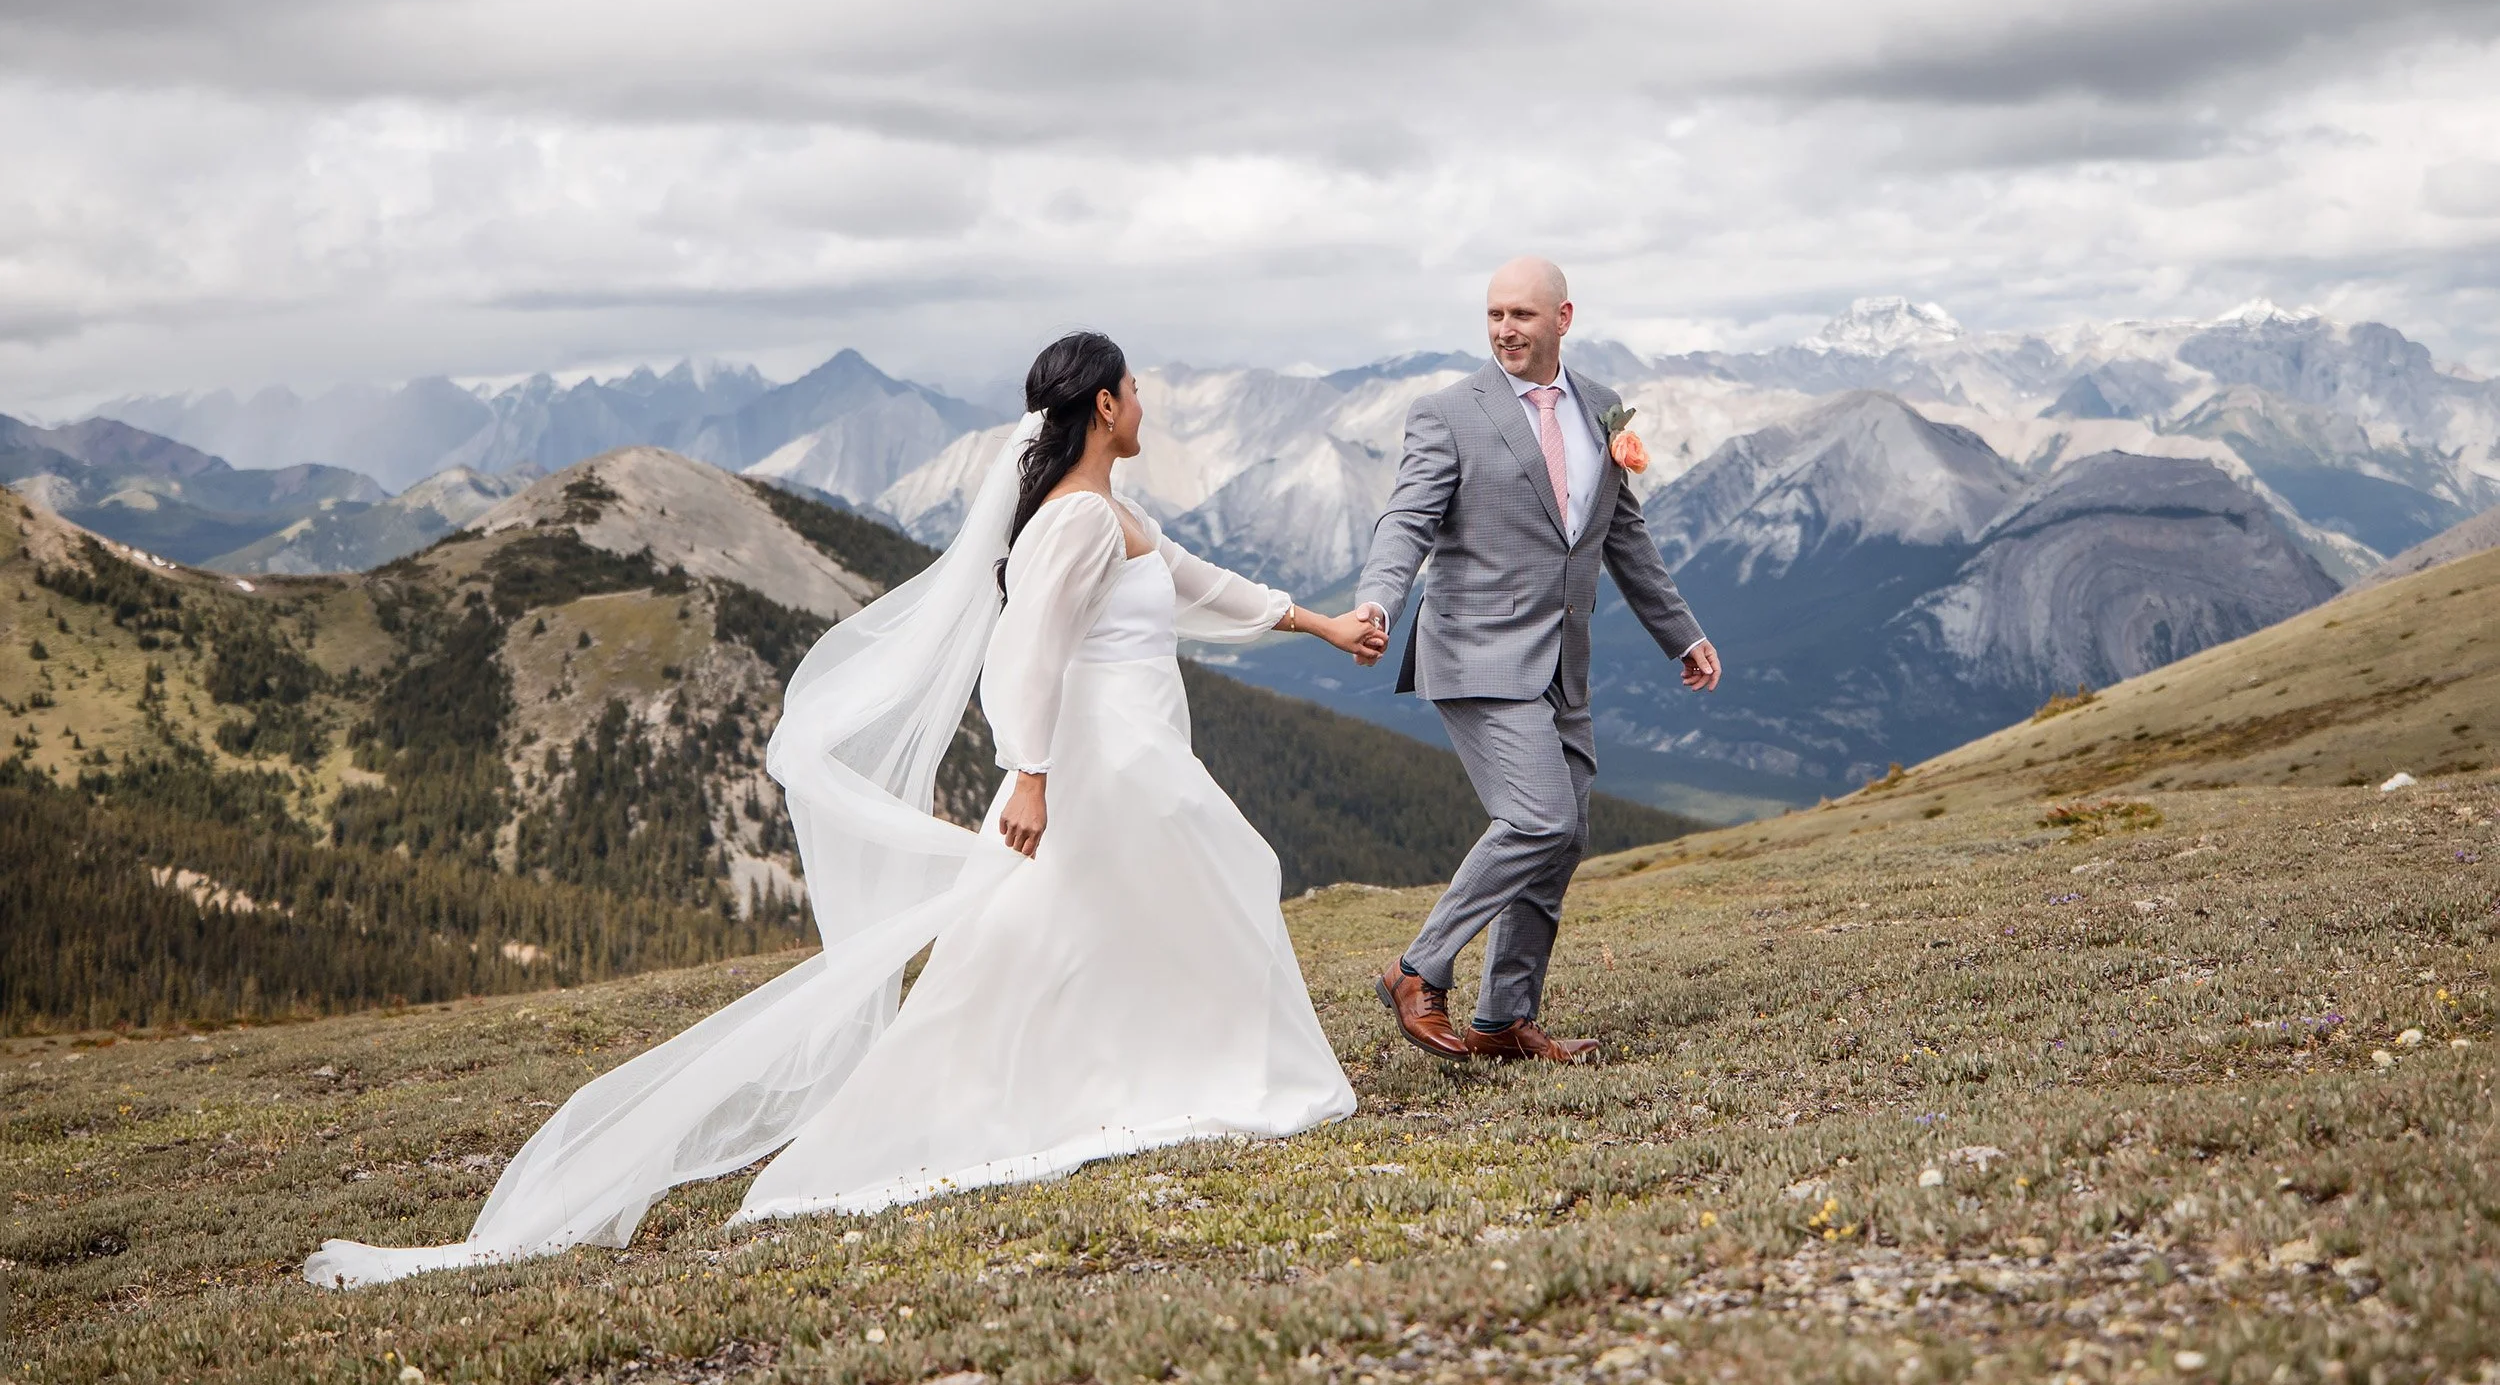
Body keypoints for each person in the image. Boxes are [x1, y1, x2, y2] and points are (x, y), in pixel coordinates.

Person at [304, 331, 1384, 1288]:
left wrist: (1321, 622)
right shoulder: (1072, 524)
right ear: (1103, 405)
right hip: (1101, 762)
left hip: (1133, 752)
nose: (1145, 406)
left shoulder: (1113, 512)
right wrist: (1035, 773)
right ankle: (1133, 1083)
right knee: (1188, 888)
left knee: (1100, 923)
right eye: (1135, 390)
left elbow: (1198, 582)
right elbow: (1028, 651)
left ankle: (1154, 1070)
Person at [1357, 257, 1719, 1066]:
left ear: (1563, 316)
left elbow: (1621, 534)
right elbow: (1405, 520)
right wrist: (1377, 600)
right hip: (1477, 653)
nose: (1504, 330)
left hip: (1565, 663)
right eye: (1493, 315)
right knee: (1538, 818)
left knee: (1565, 835)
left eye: (1521, 314)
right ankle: (1417, 969)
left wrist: (1681, 632)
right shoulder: (1447, 412)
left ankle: (1503, 1019)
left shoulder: (1598, 408)